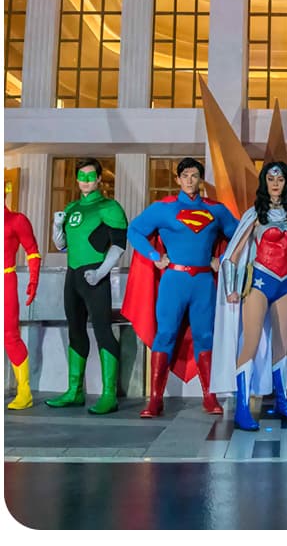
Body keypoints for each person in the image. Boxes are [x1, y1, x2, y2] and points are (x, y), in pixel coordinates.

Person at [123, 157, 238, 418]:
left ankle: (210, 396)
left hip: (203, 282)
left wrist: (224, 257)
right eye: (184, 175)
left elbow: (239, 233)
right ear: (177, 179)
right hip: (173, 281)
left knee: (205, 337)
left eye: (194, 175)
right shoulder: (162, 209)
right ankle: (155, 399)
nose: (189, 180)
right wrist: (155, 257)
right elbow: (135, 231)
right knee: (165, 336)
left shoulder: (216, 210)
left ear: (200, 179)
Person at [211, 162, 287, 431]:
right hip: (259, 282)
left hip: (286, 284)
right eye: (270, 179)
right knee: (251, 343)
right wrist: (231, 290)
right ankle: (242, 407)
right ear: (264, 182)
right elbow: (232, 255)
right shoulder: (255, 214)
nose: (275, 183)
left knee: (282, 344)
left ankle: (282, 401)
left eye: (280, 179)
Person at [46, 158, 128, 414]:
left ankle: (108, 395)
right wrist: (57, 226)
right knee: (75, 331)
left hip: (96, 276)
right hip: (73, 277)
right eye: (81, 176)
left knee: (103, 331)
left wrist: (102, 271)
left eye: (90, 176)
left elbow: (119, 244)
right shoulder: (71, 208)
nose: (85, 181)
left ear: (100, 179)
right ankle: (74, 391)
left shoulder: (109, 206)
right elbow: (61, 246)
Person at [4, 203, 41, 409]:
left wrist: (34, 279)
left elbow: (32, 251)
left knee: (10, 335)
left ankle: (24, 391)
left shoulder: (16, 220)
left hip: (5, 279)